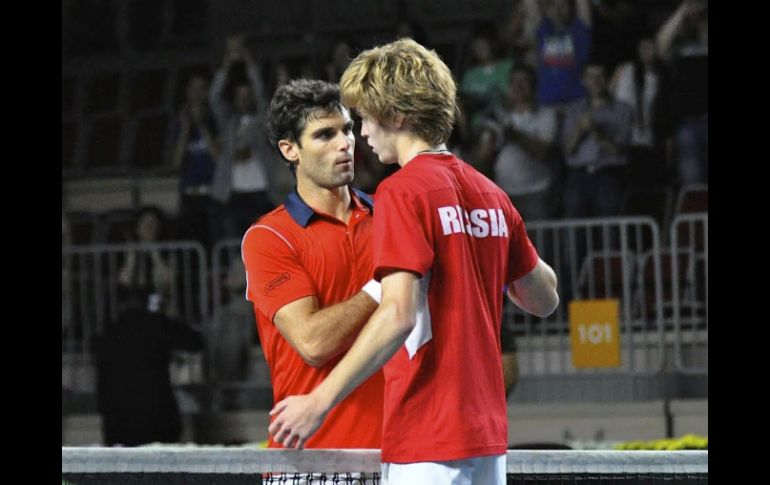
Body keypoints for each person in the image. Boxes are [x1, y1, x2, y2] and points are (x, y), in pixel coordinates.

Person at [268, 39, 559, 485]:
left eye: (364, 118)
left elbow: (398, 314)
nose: (361, 134)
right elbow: (544, 299)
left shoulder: (402, 191)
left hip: (427, 437)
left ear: (397, 115)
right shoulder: (492, 195)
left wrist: (318, 402)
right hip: (487, 442)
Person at [240, 79, 385, 449]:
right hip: (310, 460)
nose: (344, 144)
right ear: (290, 150)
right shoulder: (269, 238)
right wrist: (389, 282)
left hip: (396, 456)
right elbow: (313, 342)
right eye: (324, 135)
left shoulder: (389, 217)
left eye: (347, 130)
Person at [209, 34, 277, 238]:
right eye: (240, 97)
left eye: (247, 97)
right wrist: (229, 61)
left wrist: (246, 58)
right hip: (233, 194)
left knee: (266, 243)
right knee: (233, 244)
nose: (244, 100)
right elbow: (213, 97)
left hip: (262, 192)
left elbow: (260, 93)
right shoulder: (228, 123)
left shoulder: (261, 120)